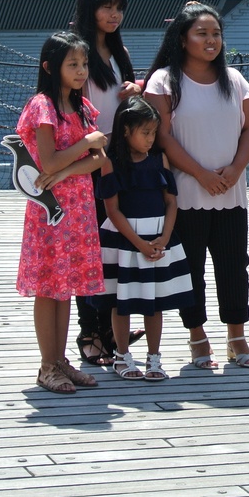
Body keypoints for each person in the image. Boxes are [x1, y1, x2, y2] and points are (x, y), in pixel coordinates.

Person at [145, 2, 249, 371]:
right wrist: (202, 174)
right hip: (186, 194)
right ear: (183, 38)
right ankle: (197, 336)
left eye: (216, 33)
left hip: (232, 193)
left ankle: (236, 335)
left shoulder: (235, 79)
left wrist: (234, 169)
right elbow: (161, 136)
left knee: (233, 266)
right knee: (189, 268)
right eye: (202, 33)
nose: (211, 40)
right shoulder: (163, 80)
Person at [16, 31, 108, 393]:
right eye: (73, 64)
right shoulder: (42, 106)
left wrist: (67, 170)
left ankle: (60, 361)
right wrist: (84, 145)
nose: (81, 70)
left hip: (79, 208)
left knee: (66, 286)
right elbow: (49, 159)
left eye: (84, 64)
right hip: (49, 209)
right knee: (47, 286)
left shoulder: (83, 107)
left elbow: (98, 161)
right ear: (50, 67)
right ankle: (46, 364)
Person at [91, 96, 194, 381]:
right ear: (126, 130)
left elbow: (171, 202)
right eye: (145, 132)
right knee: (120, 301)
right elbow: (112, 210)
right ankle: (122, 356)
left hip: (158, 237)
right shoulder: (111, 164)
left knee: (154, 301)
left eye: (153, 133)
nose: (150, 139)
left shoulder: (159, 160)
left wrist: (163, 237)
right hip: (125, 240)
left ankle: (154, 358)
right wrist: (139, 243)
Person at [73, 0, 145, 366]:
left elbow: (123, 100)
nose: (114, 15)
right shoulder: (79, 51)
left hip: (119, 159)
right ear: (89, 7)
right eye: (106, 7)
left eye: (119, 8)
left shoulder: (118, 51)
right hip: (90, 163)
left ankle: (109, 326)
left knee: (114, 245)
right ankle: (90, 332)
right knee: (90, 247)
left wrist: (137, 86)